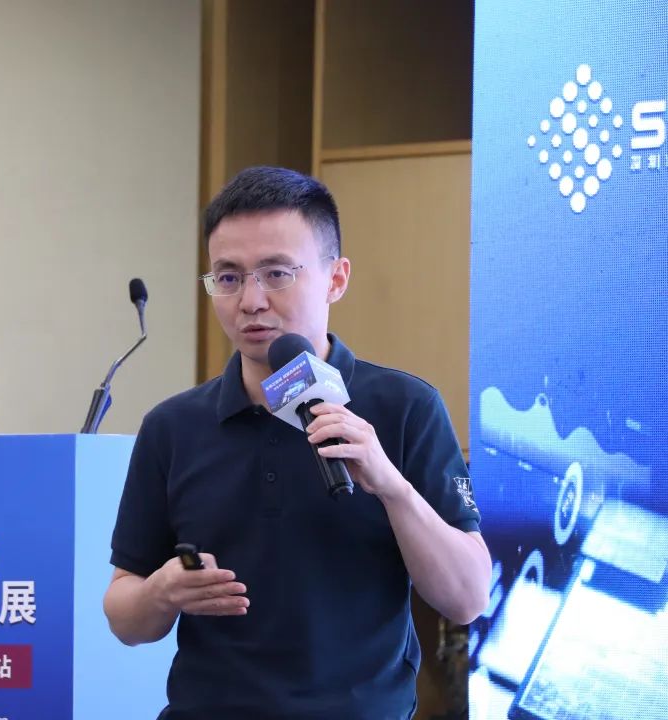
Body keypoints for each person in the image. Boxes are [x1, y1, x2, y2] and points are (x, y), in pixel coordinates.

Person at [103, 166, 491, 720]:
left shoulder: (406, 408)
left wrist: (392, 487)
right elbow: (124, 617)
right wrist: (160, 593)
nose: (251, 300)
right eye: (228, 277)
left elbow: (468, 597)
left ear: (336, 278)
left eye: (277, 273)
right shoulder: (173, 426)